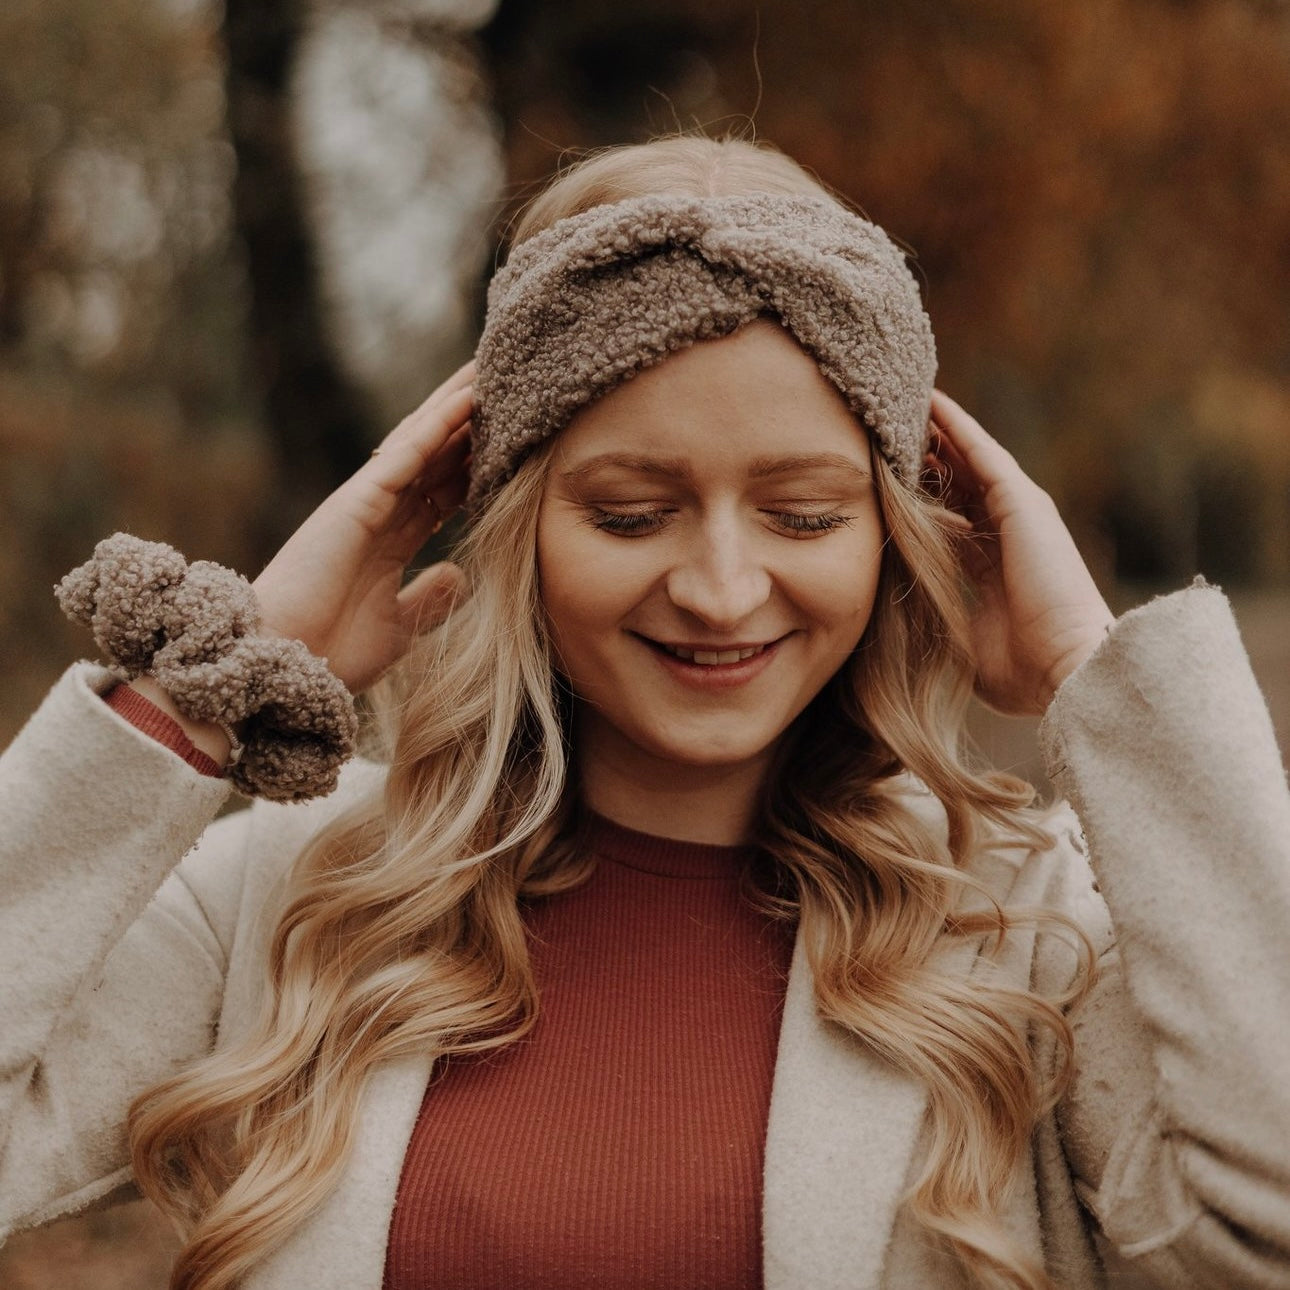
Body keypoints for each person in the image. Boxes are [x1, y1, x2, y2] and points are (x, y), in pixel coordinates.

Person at [1, 133, 1287, 1290]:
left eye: (805, 515)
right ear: (519, 527)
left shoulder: (1025, 933)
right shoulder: (291, 896)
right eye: (630, 512)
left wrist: (1094, 678)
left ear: (899, 537)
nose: (722, 591)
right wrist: (210, 691)